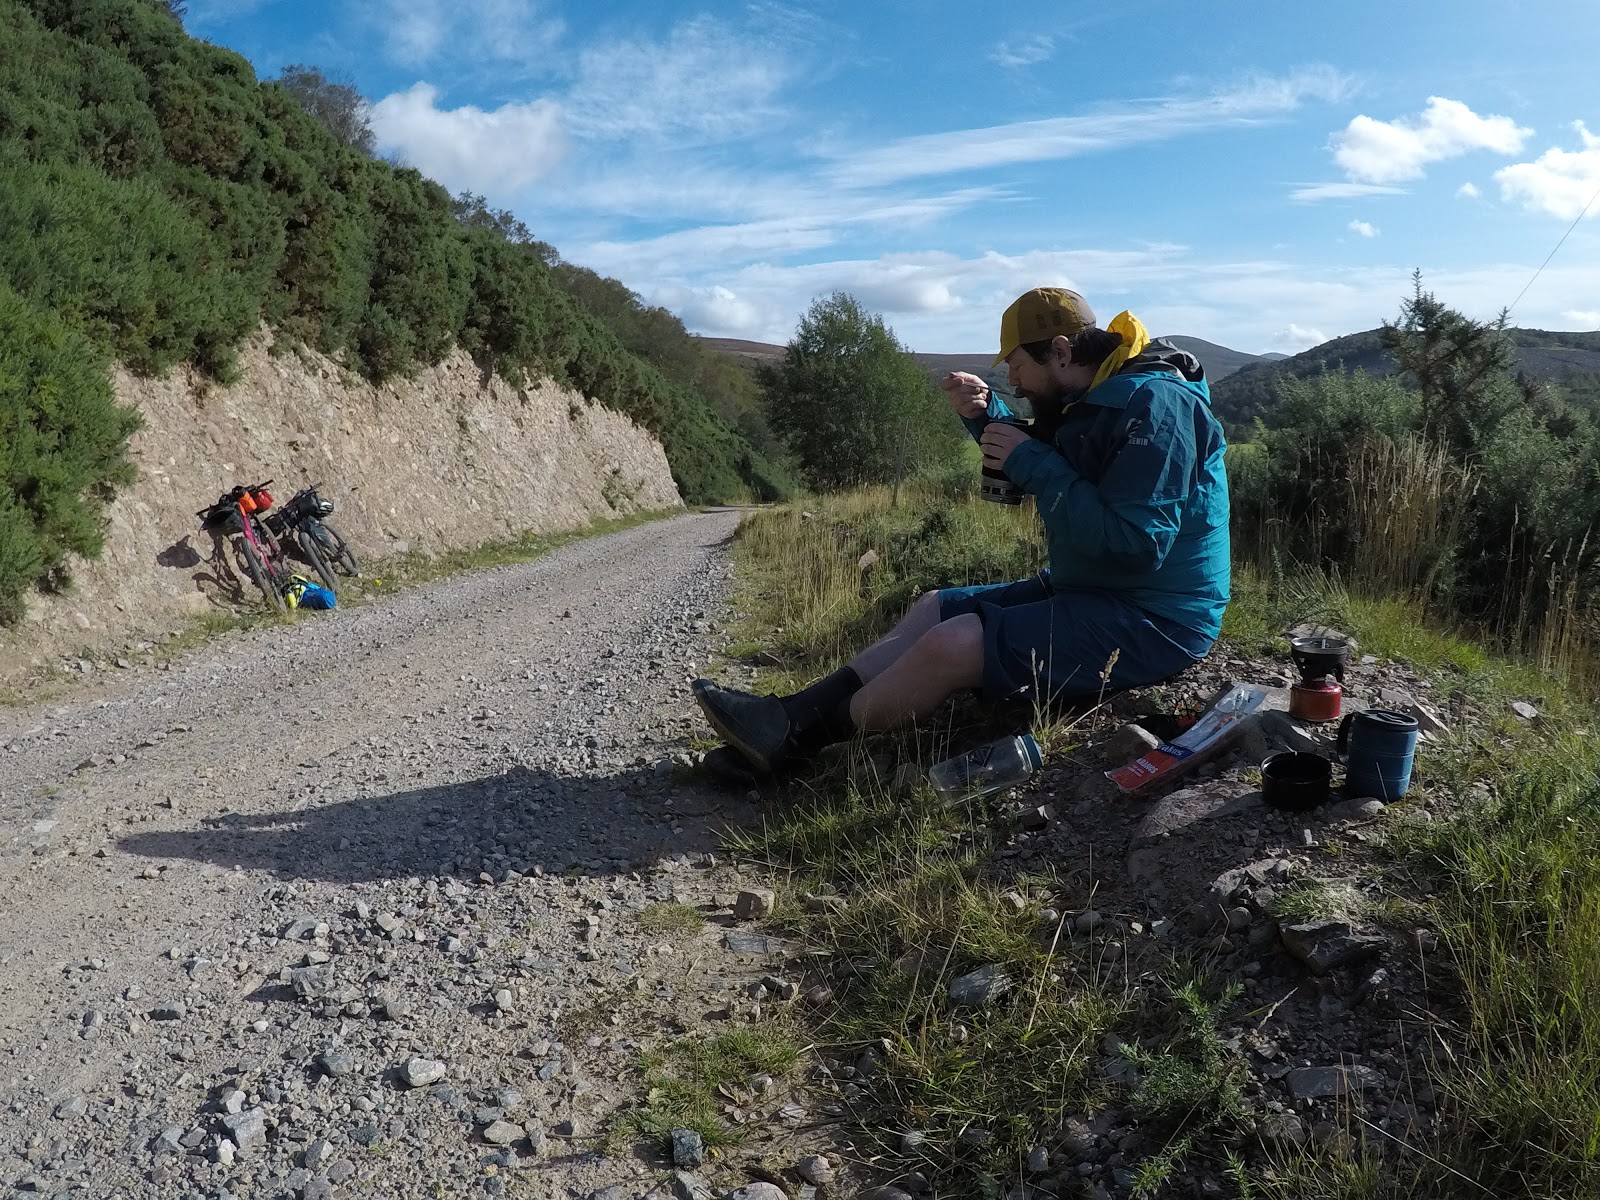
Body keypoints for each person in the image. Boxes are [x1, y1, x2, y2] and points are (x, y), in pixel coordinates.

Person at [693, 285, 1230, 776]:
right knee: (935, 607)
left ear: (1061, 351)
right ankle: (788, 714)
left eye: (1017, 365)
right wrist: (986, 415)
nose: (1013, 381)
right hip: (1091, 587)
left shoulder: (1158, 407)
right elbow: (1054, 452)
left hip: (1157, 618)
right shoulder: (1095, 396)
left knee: (954, 644)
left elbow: (1137, 544)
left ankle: (799, 743)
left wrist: (1032, 463)